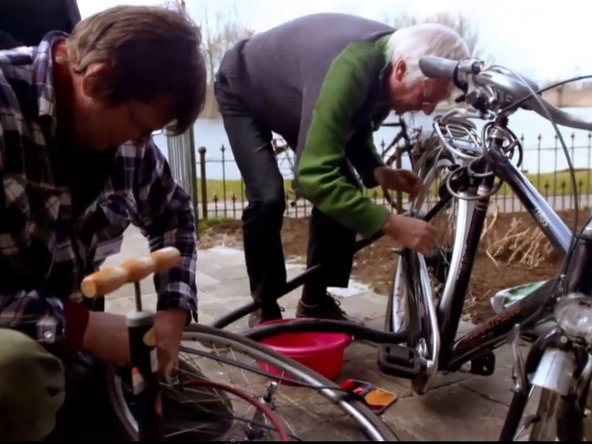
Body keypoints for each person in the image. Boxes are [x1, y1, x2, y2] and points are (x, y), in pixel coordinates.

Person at [0, 5, 231, 441]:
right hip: (19, 345)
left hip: (69, 346)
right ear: (96, 79)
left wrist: (173, 311)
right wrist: (79, 325)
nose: (141, 143)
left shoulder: (122, 128)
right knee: (17, 377)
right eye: (140, 127)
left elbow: (174, 213)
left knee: (205, 417)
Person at [214, 13, 470, 326]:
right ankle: (265, 306)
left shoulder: (397, 61)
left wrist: (377, 170)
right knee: (267, 197)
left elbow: (353, 124)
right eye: (428, 97)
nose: (428, 109)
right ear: (402, 70)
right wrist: (390, 223)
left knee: (346, 185)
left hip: (293, 98)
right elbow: (313, 178)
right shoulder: (351, 68)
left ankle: (315, 301)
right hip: (243, 88)